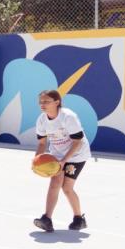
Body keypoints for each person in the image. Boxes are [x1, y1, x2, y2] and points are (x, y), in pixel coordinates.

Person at [33, 89, 90, 232]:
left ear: (57, 102)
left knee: (67, 188)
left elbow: (77, 142)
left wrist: (65, 160)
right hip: (57, 155)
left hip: (76, 155)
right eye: (40, 102)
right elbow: (41, 143)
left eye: (46, 101)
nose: (42, 104)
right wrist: (36, 160)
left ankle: (79, 219)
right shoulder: (41, 120)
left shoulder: (68, 117)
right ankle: (47, 219)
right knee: (55, 183)